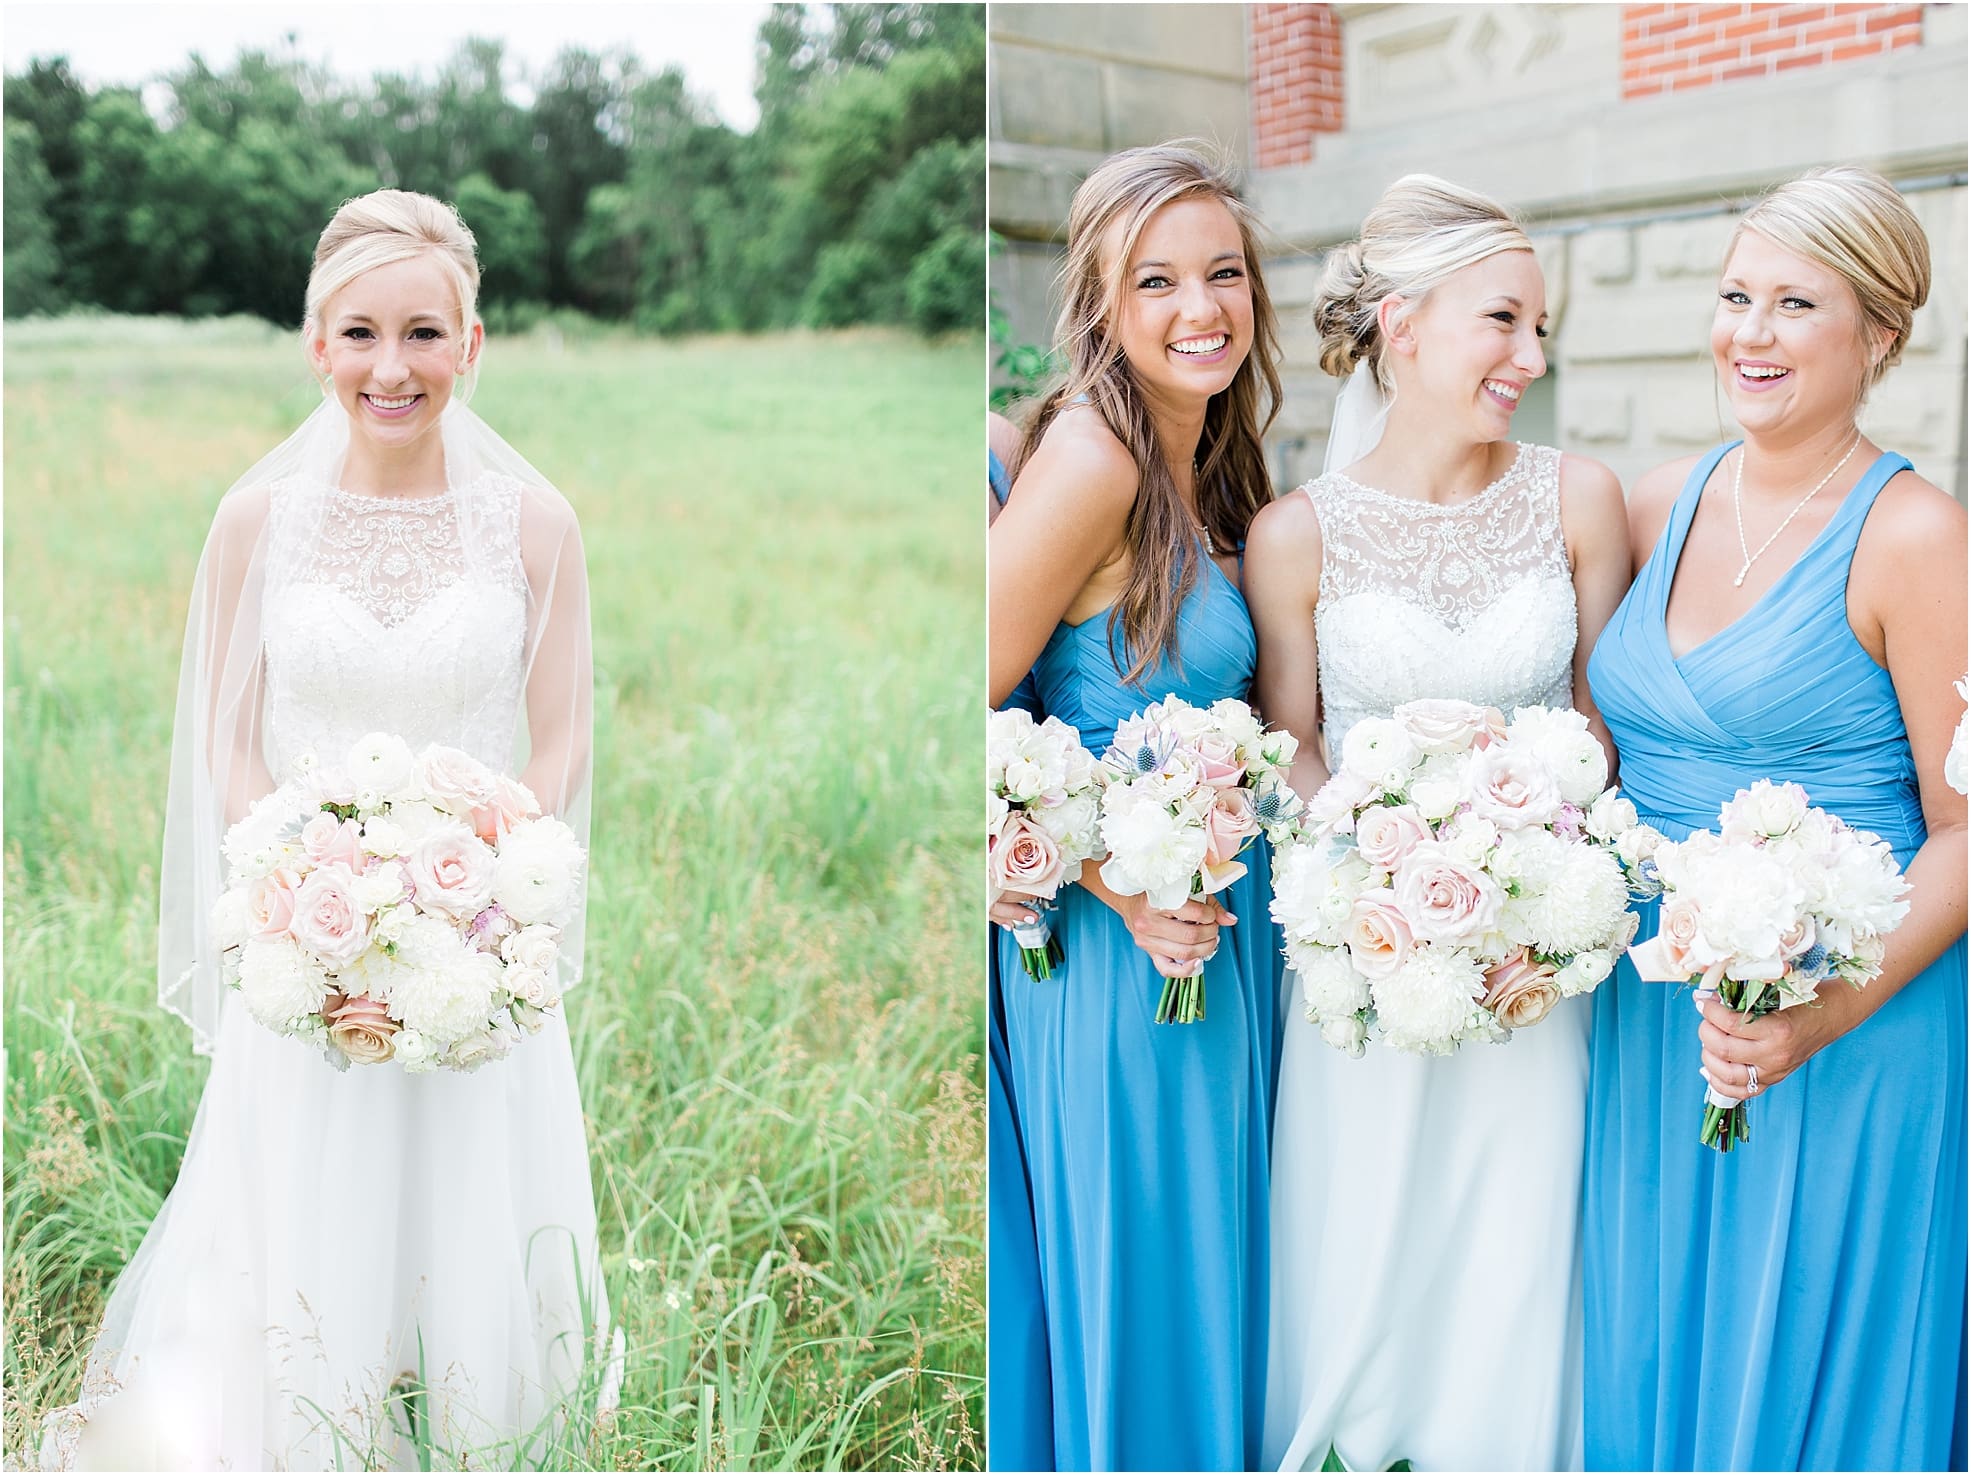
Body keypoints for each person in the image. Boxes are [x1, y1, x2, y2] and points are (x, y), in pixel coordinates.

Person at [43, 189, 613, 1471]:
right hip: (311, 944)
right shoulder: (257, 522)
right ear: (316, 346)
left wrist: (469, 909)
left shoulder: (537, 527)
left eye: (425, 332)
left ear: (474, 344)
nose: (391, 366)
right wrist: (321, 911)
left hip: (474, 942)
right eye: (359, 333)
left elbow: (560, 740)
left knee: (466, 1232)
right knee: (301, 1228)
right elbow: (231, 740)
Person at [1581, 165, 1967, 1472]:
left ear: (1875, 333)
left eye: (1792, 302)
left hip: (1850, 1021)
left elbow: (1967, 825)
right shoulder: (1650, 504)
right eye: (1733, 294)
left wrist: (1816, 1014)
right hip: (1654, 1015)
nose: (1745, 331)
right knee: (1652, 1339)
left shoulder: (1917, 537)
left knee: (1803, 1370)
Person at [1246, 175, 1630, 1471]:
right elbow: (1290, 742)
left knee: (1522, 1247)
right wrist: (1376, 871)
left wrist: (1539, 888)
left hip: (1537, 962)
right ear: (1401, 327)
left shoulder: (1576, 499)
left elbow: (1602, 734)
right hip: (1369, 956)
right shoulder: (1293, 535)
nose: (1531, 356)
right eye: (1502, 321)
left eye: (1539, 326)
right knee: (1368, 1247)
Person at [986, 141, 1283, 1471]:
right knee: (1148, 1285)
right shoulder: (1097, 459)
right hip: (1116, 961)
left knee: (1209, 1278)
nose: (1197, 306)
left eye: (1221, 272)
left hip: (1215, 949)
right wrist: (1111, 874)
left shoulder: (1212, 466)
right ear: (1100, 306)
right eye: (1154, 280)